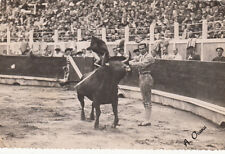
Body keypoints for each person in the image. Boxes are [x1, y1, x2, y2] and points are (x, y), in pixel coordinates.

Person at [129, 43, 155, 126]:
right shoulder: (141, 56)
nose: (141, 50)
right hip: (142, 77)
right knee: (144, 99)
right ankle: (146, 119)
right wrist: (131, 62)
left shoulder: (149, 57)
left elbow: (142, 64)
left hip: (146, 77)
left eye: (143, 48)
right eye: (140, 49)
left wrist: (131, 63)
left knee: (147, 99)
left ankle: (147, 120)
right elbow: (134, 60)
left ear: (146, 48)